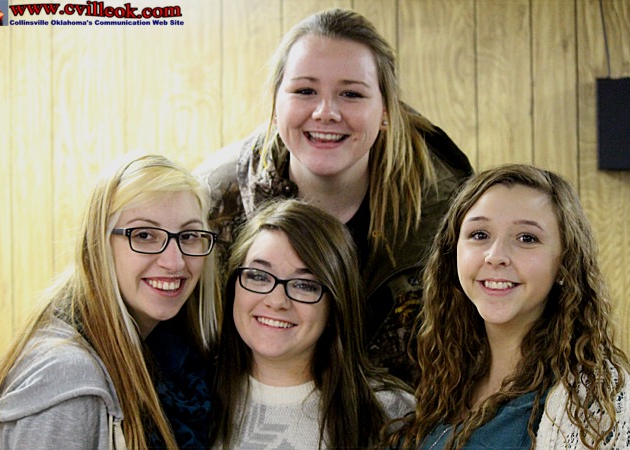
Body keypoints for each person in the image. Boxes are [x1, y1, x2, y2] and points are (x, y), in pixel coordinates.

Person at [194, 7, 473, 386]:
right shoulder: (211, 201)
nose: (326, 112)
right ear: (275, 105)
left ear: (386, 110)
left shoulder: (452, 211)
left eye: (351, 94)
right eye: (305, 91)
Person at [387, 164, 630, 449]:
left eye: (527, 238)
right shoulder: (446, 377)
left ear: (565, 263)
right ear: (453, 251)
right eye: (480, 234)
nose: (495, 256)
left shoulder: (593, 395)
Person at [0, 154, 220, 449]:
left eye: (189, 236)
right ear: (97, 244)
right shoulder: (67, 381)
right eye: (144, 235)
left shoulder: (174, 359)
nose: (175, 262)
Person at [213, 198, 415, 449]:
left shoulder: (392, 414)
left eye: (304, 285)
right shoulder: (191, 396)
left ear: (336, 303)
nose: (276, 301)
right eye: (258, 276)